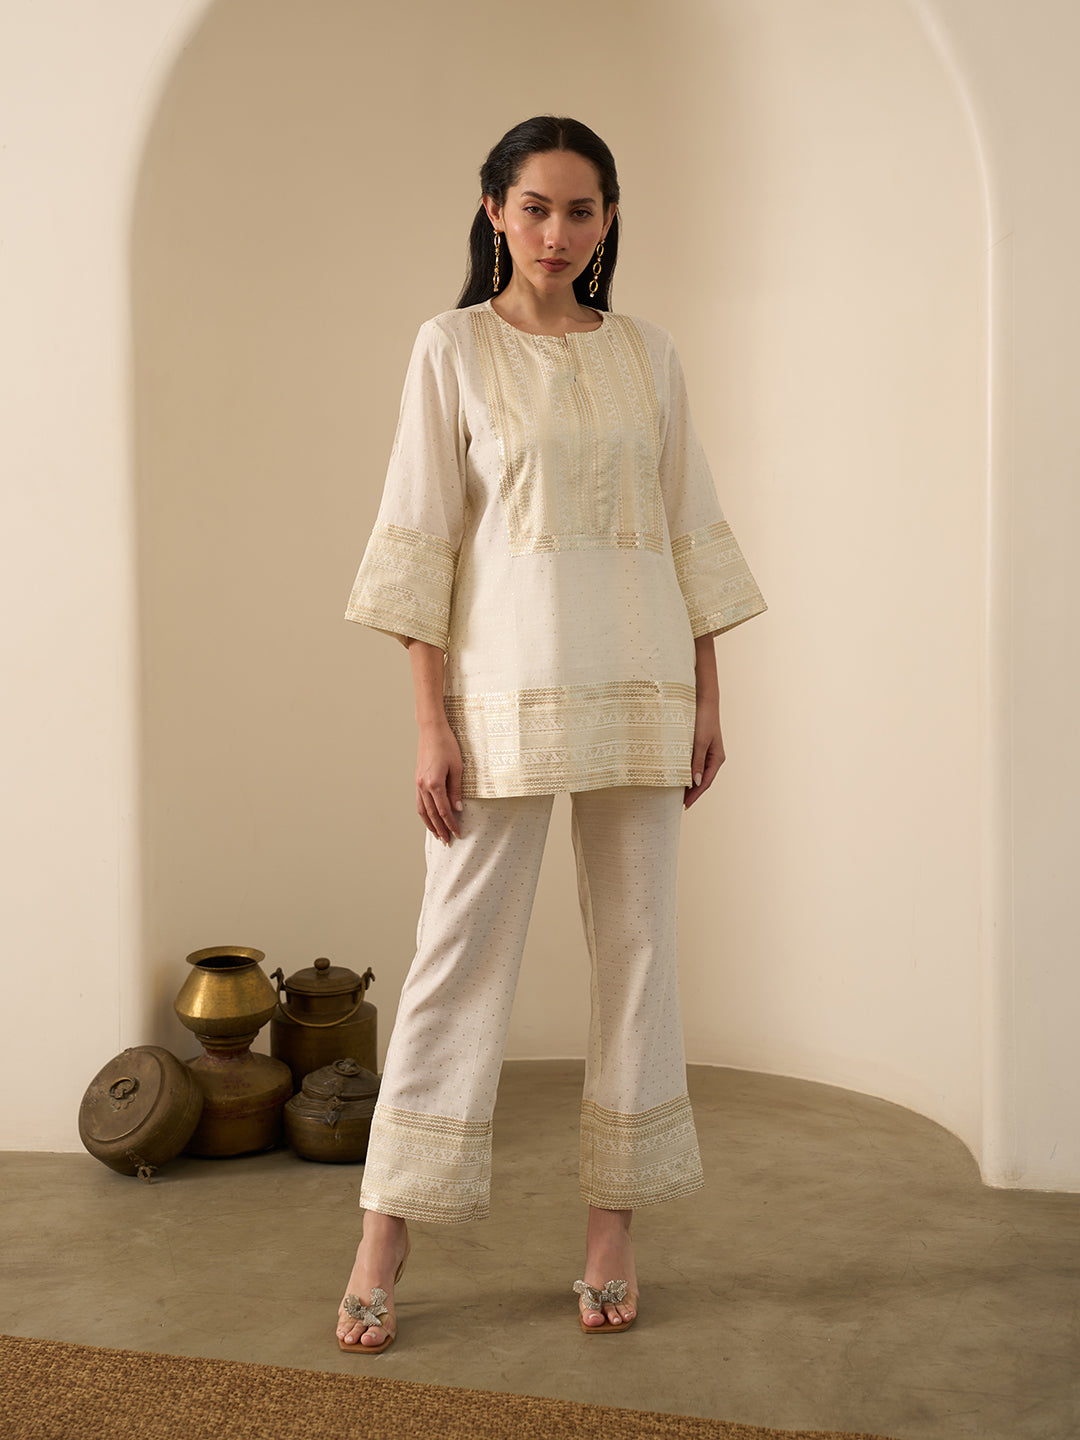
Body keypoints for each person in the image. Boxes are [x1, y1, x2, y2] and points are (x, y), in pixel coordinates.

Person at [336, 115, 766, 1352]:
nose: (557, 233)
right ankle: (385, 1231)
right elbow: (420, 538)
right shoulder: (451, 347)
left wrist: (710, 694)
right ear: (494, 211)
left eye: (582, 211)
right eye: (535, 208)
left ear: (609, 219)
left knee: (638, 953)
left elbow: (687, 524)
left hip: (641, 684)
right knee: (456, 957)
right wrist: (429, 724)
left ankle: (611, 1231)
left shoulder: (647, 354)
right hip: (499, 695)